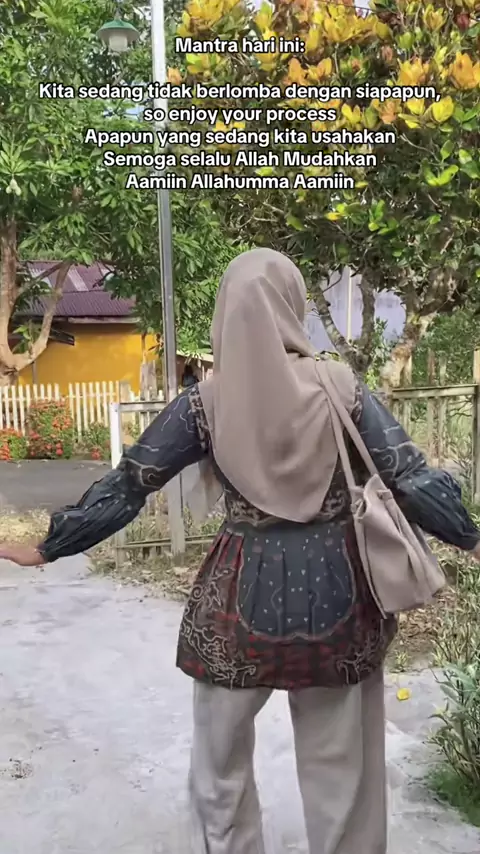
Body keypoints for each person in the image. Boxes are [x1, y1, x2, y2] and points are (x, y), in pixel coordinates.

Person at [1, 247, 479, 854]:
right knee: (343, 773)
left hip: (235, 608)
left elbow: (130, 484)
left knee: (218, 767)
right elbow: (410, 476)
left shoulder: (203, 403)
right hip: (339, 606)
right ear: (291, 306)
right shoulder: (341, 387)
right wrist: (471, 537)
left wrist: (50, 545)